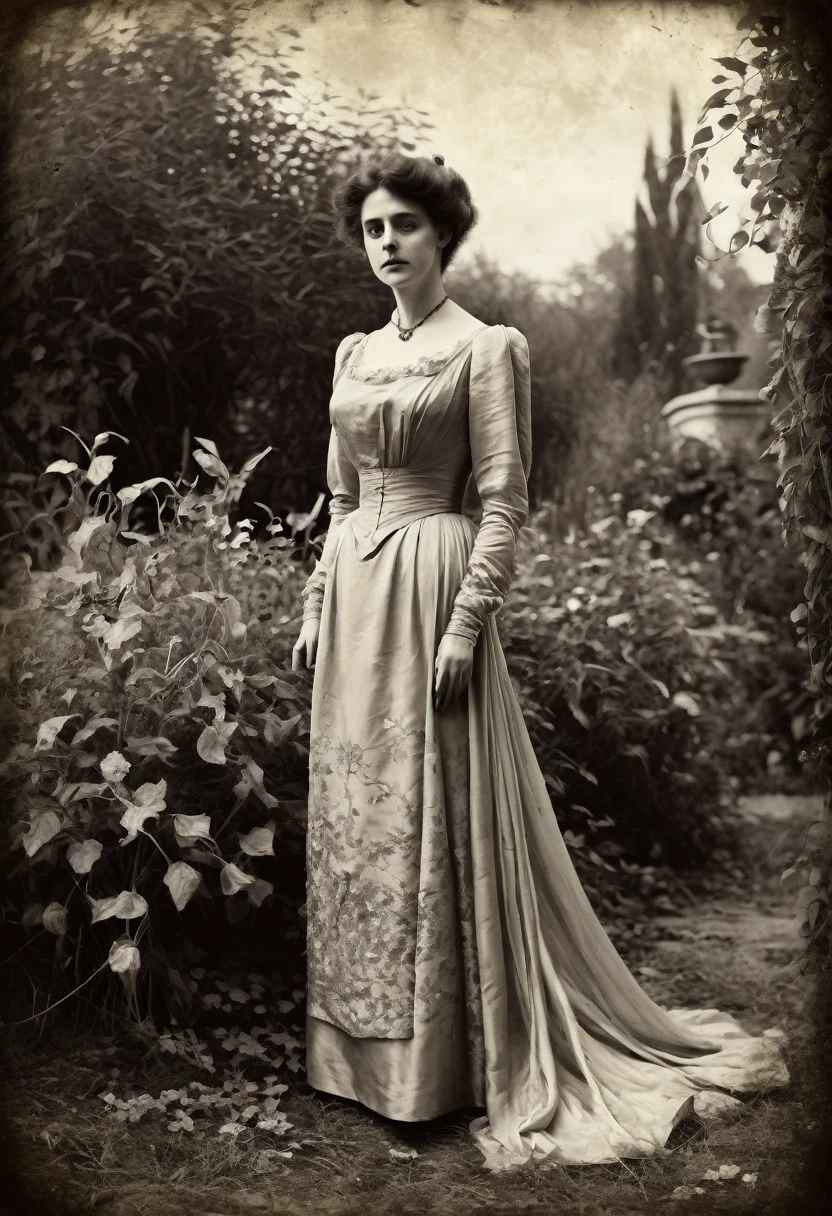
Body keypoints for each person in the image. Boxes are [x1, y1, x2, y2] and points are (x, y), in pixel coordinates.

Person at [291, 150, 788, 1171]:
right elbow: (338, 496)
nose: (385, 242)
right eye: (372, 228)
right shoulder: (350, 354)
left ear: (442, 237)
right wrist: (313, 596)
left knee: (433, 810)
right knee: (361, 814)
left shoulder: (486, 349)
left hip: (432, 585)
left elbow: (506, 500)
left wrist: (468, 622)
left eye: (404, 227)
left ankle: (444, 1066)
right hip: (353, 601)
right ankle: (357, 1059)